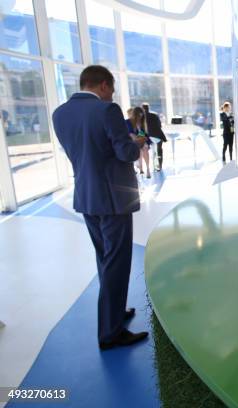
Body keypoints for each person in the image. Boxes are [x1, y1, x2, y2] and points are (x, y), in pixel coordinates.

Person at [52, 65, 148, 350]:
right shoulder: (107, 111)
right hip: (113, 199)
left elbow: (83, 152)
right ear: (104, 85)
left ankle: (115, 313)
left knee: (104, 259)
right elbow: (125, 153)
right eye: (112, 89)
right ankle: (110, 332)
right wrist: (137, 142)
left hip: (86, 197)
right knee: (117, 263)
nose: (112, 95)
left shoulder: (60, 113)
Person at [126, 106, 152, 178]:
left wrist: (143, 137)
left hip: (141, 141)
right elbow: (129, 133)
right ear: (135, 115)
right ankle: (140, 168)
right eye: (138, 116)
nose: (140, 118)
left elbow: (145, 134)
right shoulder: (128, 122)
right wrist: (137, 138)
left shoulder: (142, 123)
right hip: (132, 142)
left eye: (141, 116)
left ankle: (147, 168)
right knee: (139, 149)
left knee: (145, 148)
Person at [142, 103, 167, 171]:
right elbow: (159, 125)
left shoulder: (142, 117)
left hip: (149, 136)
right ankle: (160, 166)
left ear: (142, 108)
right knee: (159, 151)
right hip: (158, 135)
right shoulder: (154, 115)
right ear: (148, 107)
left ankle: (154, 167)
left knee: (153, 151)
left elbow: (142, 129)